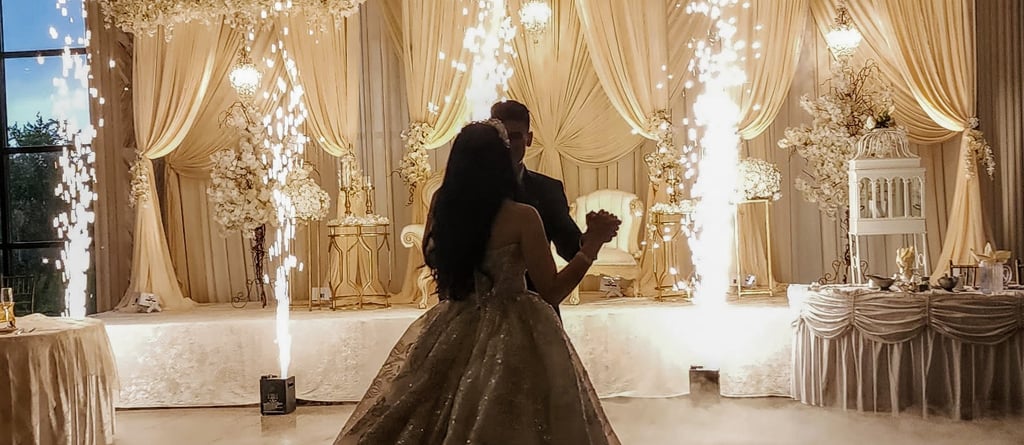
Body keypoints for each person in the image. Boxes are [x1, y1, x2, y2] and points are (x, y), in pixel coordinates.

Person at [335, 120, 622, 445]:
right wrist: (591, 247)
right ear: (501, 165)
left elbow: (442, 273)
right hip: (518, 331)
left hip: (455, 322)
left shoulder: (444, 211)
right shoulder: (523, 217)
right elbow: (552, 289)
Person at [490, 100, 594, 314]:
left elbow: (569, 248)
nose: (508, 144)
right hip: (475, 313)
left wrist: (592, 238)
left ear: (529, 139)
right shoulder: (466, 192)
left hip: (536, 312)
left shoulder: (548, 190)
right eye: (501, 138)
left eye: (515, 136)